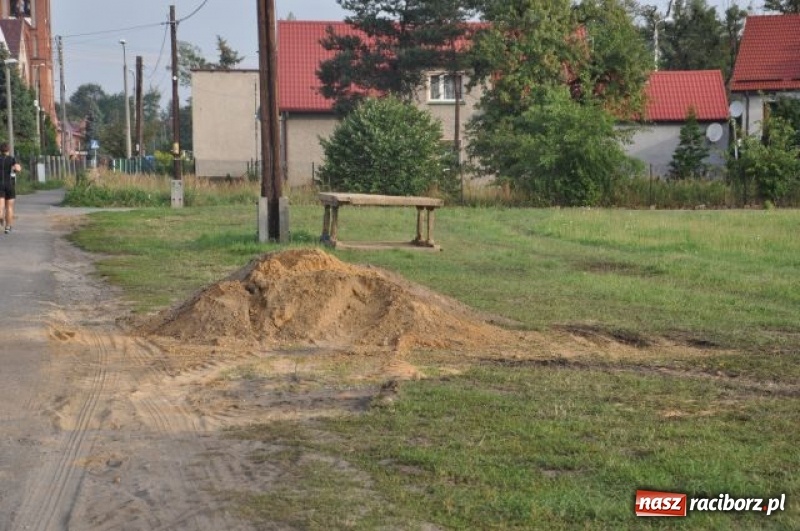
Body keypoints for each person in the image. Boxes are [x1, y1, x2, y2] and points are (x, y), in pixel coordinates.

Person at [0, 142, 22, 234]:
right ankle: (8, 227)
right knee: (9, 207)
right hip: (10, 185)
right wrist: (16, 168)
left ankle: (1, 217)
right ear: (8, 150)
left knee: (1, 206)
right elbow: (18, 169)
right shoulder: (12, 159)